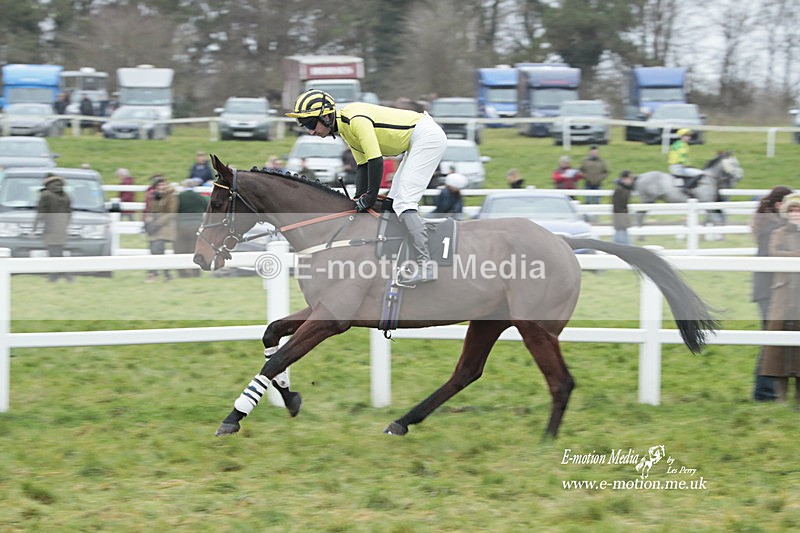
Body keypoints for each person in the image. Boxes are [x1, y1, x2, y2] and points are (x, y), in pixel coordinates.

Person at [287, 89, 447, 285]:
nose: (311, 131)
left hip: (426, 136)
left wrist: (369, 198)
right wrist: (355, 202)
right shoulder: (345, 129)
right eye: (305, 126)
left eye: (312, 124)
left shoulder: (355, 120)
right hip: (415, 141)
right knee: (391, 202)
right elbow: (362, 167)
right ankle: (401, 257)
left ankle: (426, 265)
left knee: (404, 202)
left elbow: (375, 161)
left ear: (327, 116)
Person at [751, 186, 793, 401]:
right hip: (770, 291)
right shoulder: (773, 227)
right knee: (771, 340)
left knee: (772, 339)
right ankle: (764, 391)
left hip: (769, 290)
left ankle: (768, 390)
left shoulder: (769, 222)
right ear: (779, 205)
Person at [760, 193, 800, 402]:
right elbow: (774, 254)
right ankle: (781, 397)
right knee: (779, 348)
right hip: (783, 296)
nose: (796, 214)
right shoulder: (778, 233)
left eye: (799, 211)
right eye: (792, 211)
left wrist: (790, 253)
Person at [33, 174, 73, 282]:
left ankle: (56, 275)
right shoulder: (65, 195)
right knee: (59, 251)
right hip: (62, 226)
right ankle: (63, 274)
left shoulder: (45, 194)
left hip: (50, 226)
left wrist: (35, 227)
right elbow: (69, 212)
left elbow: (41, 212)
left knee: (52, 251)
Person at [143, 175, 177, 282]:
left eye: (163, 184)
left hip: (164, 228)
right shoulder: (155, 196)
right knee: (154, 250)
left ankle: (153, 274)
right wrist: (148, 219)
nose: (161, 186)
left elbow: (171, 213)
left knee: (157, 249)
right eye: (159, 185)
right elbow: (152, 210)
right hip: (155, 228)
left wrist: (157, 223)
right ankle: (166, 274)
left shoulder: (171, 196)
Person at [176, 178, 209, 277]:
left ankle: (183, 273)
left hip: (182, 227)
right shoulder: (199, 197)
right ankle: (196, 272)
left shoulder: (179, 197)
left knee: (182, 249)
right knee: (195, 249)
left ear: (184, 186)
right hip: (196, 226)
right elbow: (206, 207)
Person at [612, 170, 635, 246]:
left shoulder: (624, 189)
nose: (632, 180)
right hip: (621, 221)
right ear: (624, 179)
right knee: (623, 243)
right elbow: (618, 208)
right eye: (630, 178)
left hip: (622, 220)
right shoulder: (620, 190)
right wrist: (623, 221)